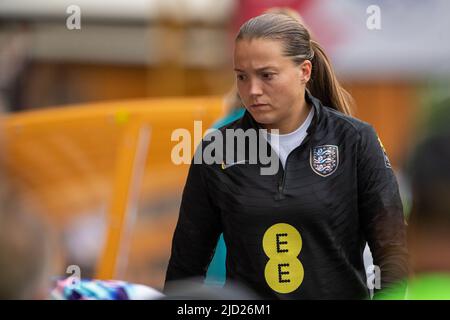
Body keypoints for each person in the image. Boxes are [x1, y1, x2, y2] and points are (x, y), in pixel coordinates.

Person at [165, 13, 408, 299]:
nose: (252, 90)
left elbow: (391, 250)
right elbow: (186, 264)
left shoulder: (355, 140)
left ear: (304, 71)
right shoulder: (218, 149)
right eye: (242, 76)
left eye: (267, 75)